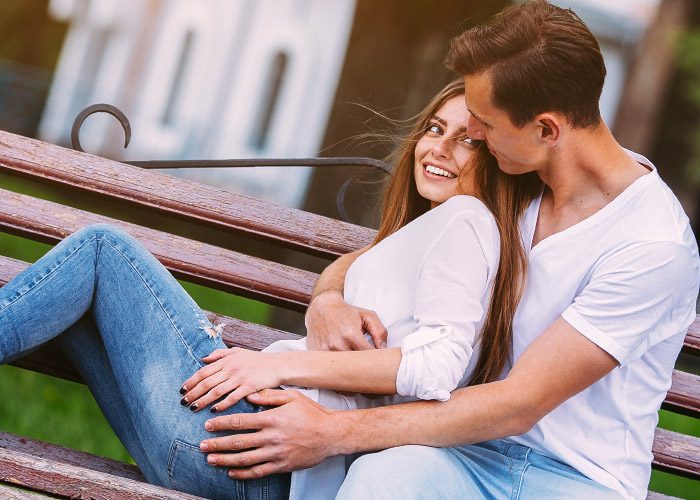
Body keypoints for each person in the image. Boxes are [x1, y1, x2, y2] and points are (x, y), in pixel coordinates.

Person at [197, 2, 699, 499]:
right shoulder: (518, 178)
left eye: (484, 121)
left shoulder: (652, 246)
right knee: (382, 478)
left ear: (546, 129)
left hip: (574, 480)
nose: (473, 134)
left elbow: (517, 405)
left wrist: (329, 432)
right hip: (464, 453)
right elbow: (384, 252)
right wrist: (329, 299)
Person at [0, 79, 536, 499]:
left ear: (499, 159)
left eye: (468, 140)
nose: (440, 148)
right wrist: (327, 299)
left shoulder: (467, 220)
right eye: (436, 129)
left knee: (104, 251)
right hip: (238, 460)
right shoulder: (436, 232)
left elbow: (437, 365)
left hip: (250, 440)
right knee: (86, 303)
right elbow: (358, 267)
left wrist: (274, 365)